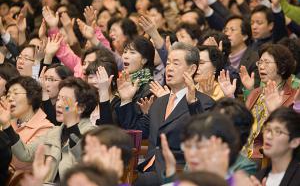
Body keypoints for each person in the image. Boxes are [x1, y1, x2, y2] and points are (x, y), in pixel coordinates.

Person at [120, 42, 215, 186]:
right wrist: (126, 100)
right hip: (148, 170)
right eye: (168, 63)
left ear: (191, 69)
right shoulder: (159, 102)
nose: (169, 68)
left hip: (178, 171)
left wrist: (192, 103)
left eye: (176, 64)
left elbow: (202, 137)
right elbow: (136, 131)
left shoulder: (204, 102)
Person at [0, 77, 98, 182]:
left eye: (65, 100)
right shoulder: (54, 131)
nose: (58, 104)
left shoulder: (93, 134)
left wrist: (72, 125)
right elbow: (25, 154)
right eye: (58, 99)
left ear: (81, 107)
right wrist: (6, 125)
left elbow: (87, 164)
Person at [243, 44, 298, 159]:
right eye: (260, 62)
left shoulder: (293, 97)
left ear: (282, 68)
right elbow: (243, 123)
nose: (261, 67)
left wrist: (274, 111)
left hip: (261, 156)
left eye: (267, 63)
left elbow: (291, 132)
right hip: (241, 150)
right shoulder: (255, 92)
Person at [5, 76, 54, 171]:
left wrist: (7, 126)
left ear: (31, 97)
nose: (10, 98)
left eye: (16, 93)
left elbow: (25, 157)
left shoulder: (47, 128)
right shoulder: (9, 122)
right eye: (8, 95)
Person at [255, 107, 300, 185]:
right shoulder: (257, 178)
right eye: (268, 129)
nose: (268, 136)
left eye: (278, 131)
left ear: (295, 142)